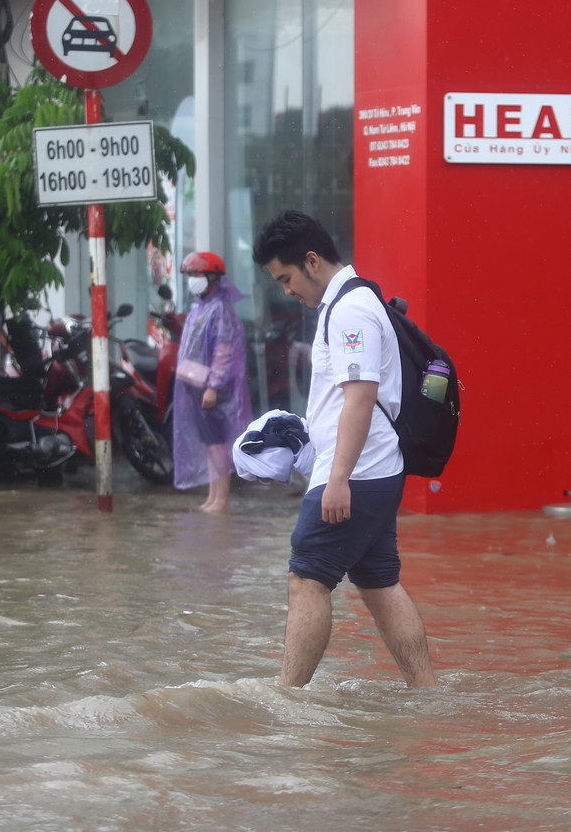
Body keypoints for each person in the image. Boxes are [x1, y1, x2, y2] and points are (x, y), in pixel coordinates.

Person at [252, 210, 438, 689]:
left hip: (355, 475)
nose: (286, 291)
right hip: (374, 471)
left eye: (287, 278)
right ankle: (427, 693)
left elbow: (360, 398)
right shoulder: (352, 301)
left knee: (306, 578)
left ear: (312, 261)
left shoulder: (350, 309)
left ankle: (287, 699)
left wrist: (336, 479)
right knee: (379, 583)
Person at [173, 251, 253, 513]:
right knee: (209, 445)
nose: (193, 280)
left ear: (212, 277)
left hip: (211, 389)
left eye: (196, 275)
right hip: (196, 385)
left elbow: (224, 351)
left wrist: (213, 386)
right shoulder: (201, 307)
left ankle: (222, 500)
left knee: (217, 444)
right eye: (191, 275)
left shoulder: (219, 309)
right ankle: (213, 497)